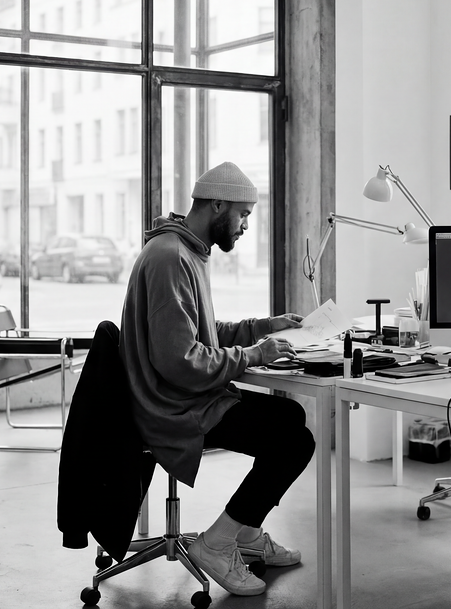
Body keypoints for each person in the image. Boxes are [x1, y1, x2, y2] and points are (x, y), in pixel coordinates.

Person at [119, 161, 315, 597]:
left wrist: (263, 327)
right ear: (218, 204)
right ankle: (218, 542)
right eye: (243, 215)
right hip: (175, 405)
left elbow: (203, 331)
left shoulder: (184, 249)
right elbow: (180, 359)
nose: (246, 226)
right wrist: (253, 355)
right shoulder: (172, 258)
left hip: (188, 396)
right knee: (295, 439)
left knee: (291, 415)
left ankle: (244, 533)